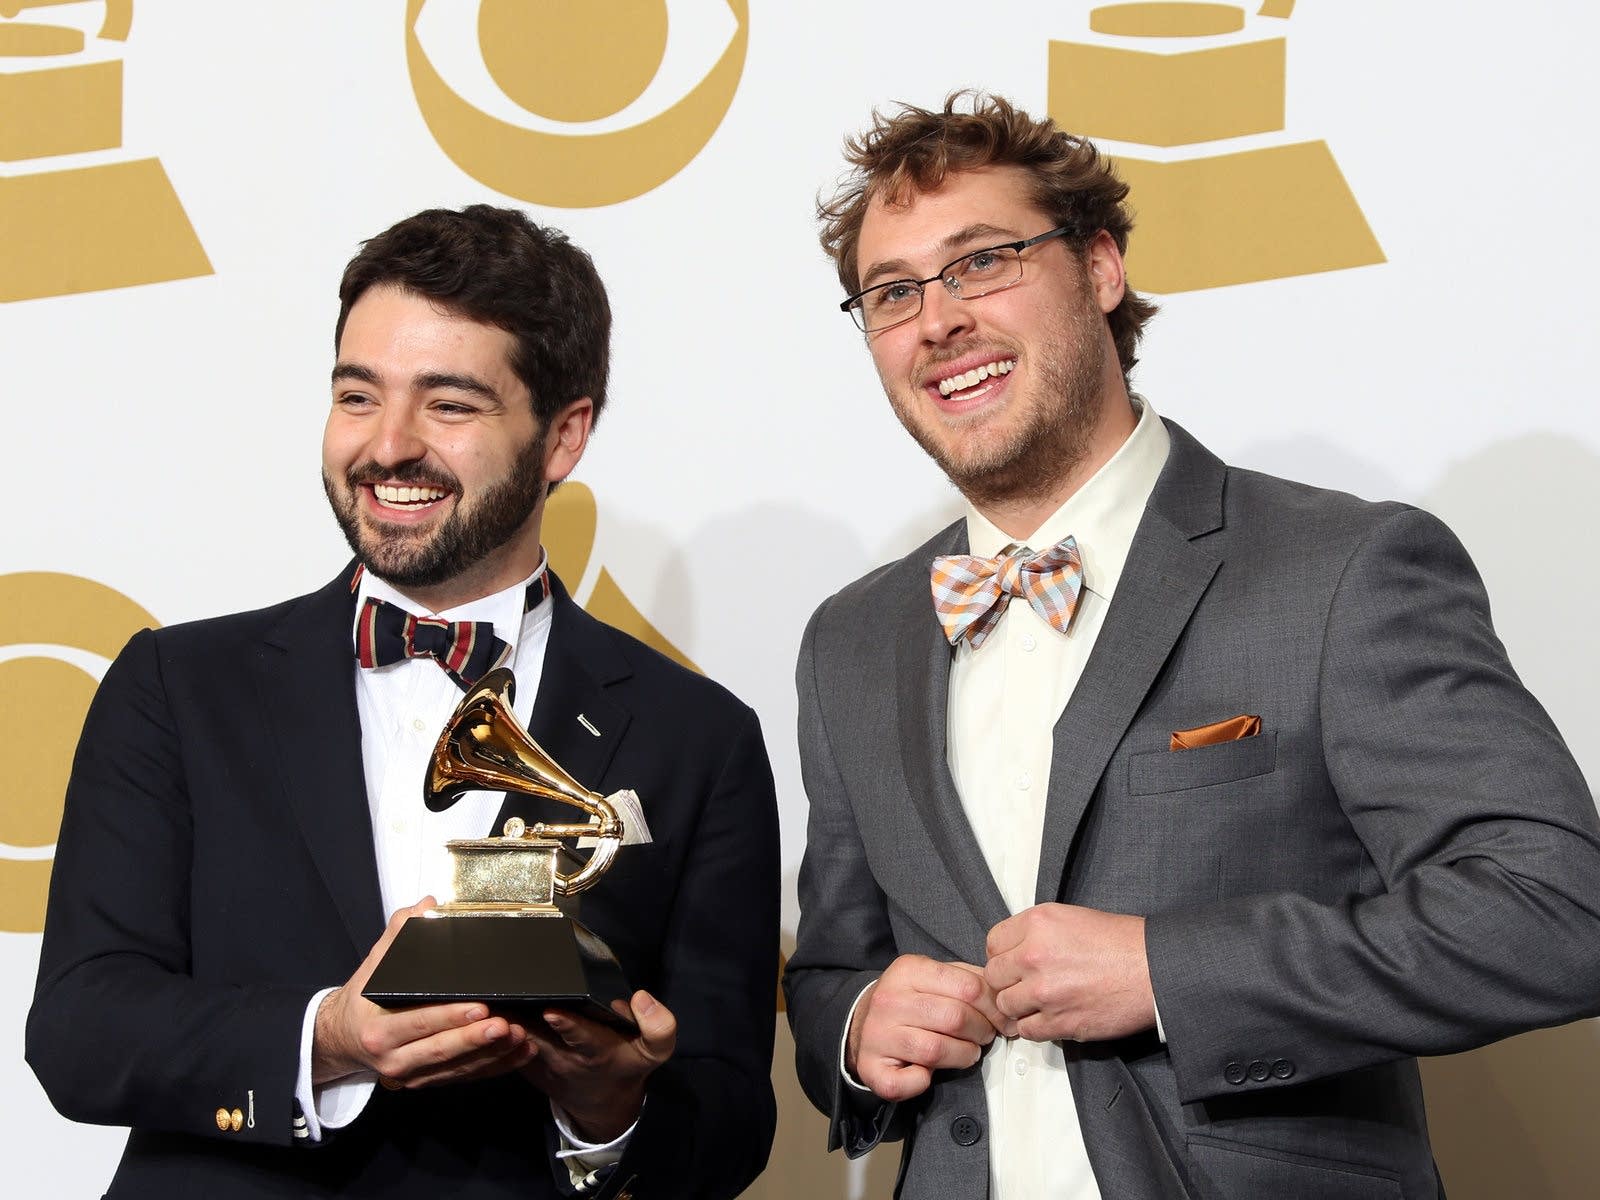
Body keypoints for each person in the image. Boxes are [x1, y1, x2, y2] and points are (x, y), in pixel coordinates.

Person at [781, 93, 1600, 1199]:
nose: (937, 321)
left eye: (981, 263)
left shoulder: (1342, 569)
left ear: (1099, 269)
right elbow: (832, 968)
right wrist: (859, 1023)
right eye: (893, 292)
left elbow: (1556, 913)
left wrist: (1168, 973)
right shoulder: (850, 639)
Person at [29, 205, 780, 1199]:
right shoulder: (177, 687)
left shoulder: (700, 738)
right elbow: (80, 1030)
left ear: (562, 437)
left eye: (450, 405)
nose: (388, 445)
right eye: (357, 395)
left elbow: (731, 1120)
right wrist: (328, 1039)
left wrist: (607, 1107)